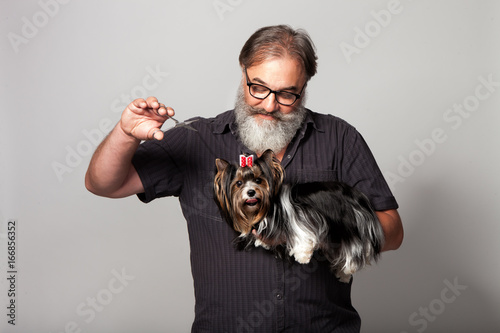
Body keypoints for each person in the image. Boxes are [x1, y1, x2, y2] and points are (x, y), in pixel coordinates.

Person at [85, 25, 403, 332]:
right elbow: (103, 184)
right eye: (259, 87)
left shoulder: (340, 139)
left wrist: (314, 229)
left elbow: (392, 231)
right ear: (243, 73)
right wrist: (125, 135)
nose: (269, 104)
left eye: (287, 94)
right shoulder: (197, 139)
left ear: (305, 86)